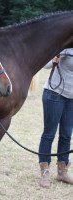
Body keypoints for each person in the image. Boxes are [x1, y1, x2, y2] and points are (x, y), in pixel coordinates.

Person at [38, 48, 73, 188]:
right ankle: (45, 172)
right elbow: (45, 64)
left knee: (66, 135)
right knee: (49, 134)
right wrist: (54, 59)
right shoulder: (64, 44)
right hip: (54, 93)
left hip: (71, 98)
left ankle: (62, 172)